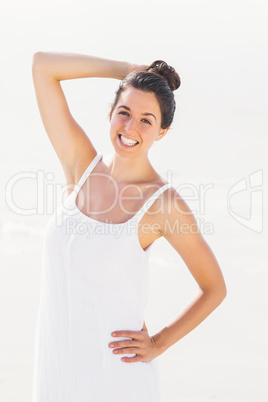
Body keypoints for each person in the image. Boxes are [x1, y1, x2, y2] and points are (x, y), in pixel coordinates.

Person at [31, 52, 227, 402]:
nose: (130, 128)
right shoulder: (81, 168)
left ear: (162, 132)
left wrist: (158, 342)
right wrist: (126, 72)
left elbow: (214, 288)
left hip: (116, 382)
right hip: (56, 377)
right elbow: (42, 67)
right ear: (110, 113)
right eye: (124, 112)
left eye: (147, 120)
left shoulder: (162, 204)